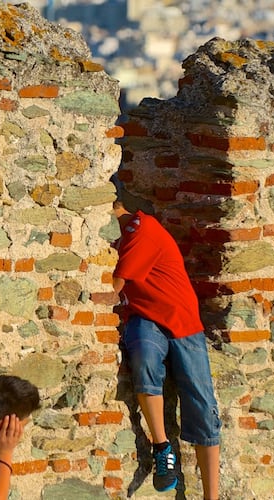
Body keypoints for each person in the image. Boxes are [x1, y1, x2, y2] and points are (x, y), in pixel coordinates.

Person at [112, 199, 221, 498]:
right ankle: (162, 448)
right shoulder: (114, 237)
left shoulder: (141, 229)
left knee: (203, 406)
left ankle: (211, 496)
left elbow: (113, 286)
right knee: (144, 359)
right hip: (144, 317)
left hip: (182, 321)